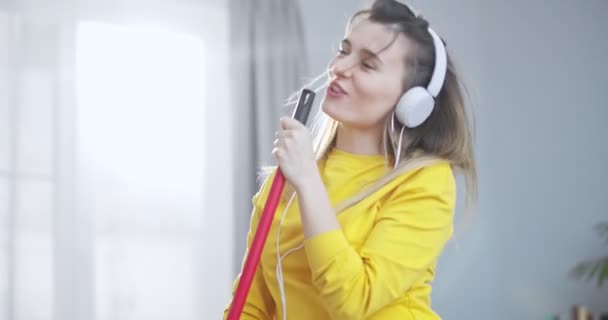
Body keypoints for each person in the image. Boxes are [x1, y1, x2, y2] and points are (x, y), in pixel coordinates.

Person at [224, 0, 477, 319]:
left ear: (413, 101)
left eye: (368, 64)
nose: (339, 68)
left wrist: (307, 181)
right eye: (344, 51)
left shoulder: (425, 182)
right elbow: (252, 304)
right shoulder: (286, 179)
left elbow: (355, 301)